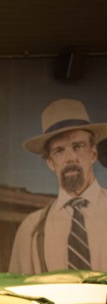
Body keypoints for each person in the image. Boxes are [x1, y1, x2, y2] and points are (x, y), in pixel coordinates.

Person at [9, 98, 107, 274]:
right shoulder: (31, 230)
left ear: (93, 153)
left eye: (78, 147)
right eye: (59, 151)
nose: (70, 158)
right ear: (50, 163)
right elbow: (18, 289)